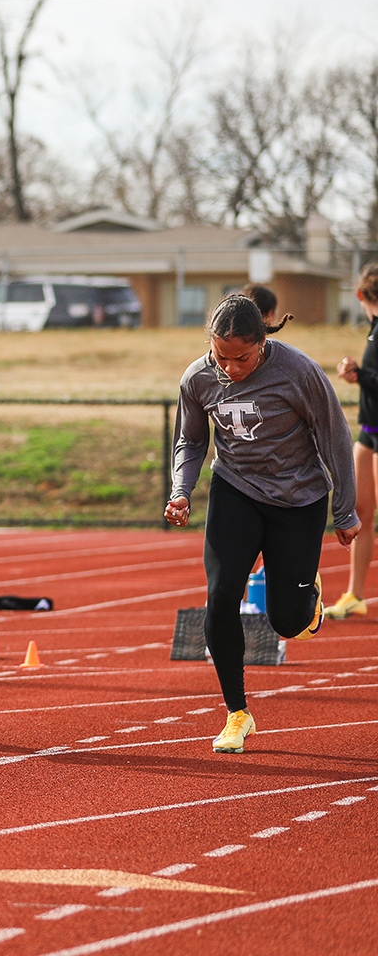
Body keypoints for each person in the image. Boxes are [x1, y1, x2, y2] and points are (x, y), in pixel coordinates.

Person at [166, 294, 356, 753]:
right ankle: (237, 712)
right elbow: (190, 441)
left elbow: (334, 437)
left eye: (242, 358)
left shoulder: (298, 372)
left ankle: (304, 588)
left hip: (299, 498)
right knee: (221, 594)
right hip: (236, 490)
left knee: (287, 623)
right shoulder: (197, 377)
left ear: (263, 342)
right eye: (221, 357)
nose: (230, 368)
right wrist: (180, 490)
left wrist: (345, 511)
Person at [331, 264, 378, 620]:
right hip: (369, 432)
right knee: (361, 513)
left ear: (360, 296)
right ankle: (355, 594)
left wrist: (359, 374)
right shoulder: (374, 330)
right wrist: (357, 375)